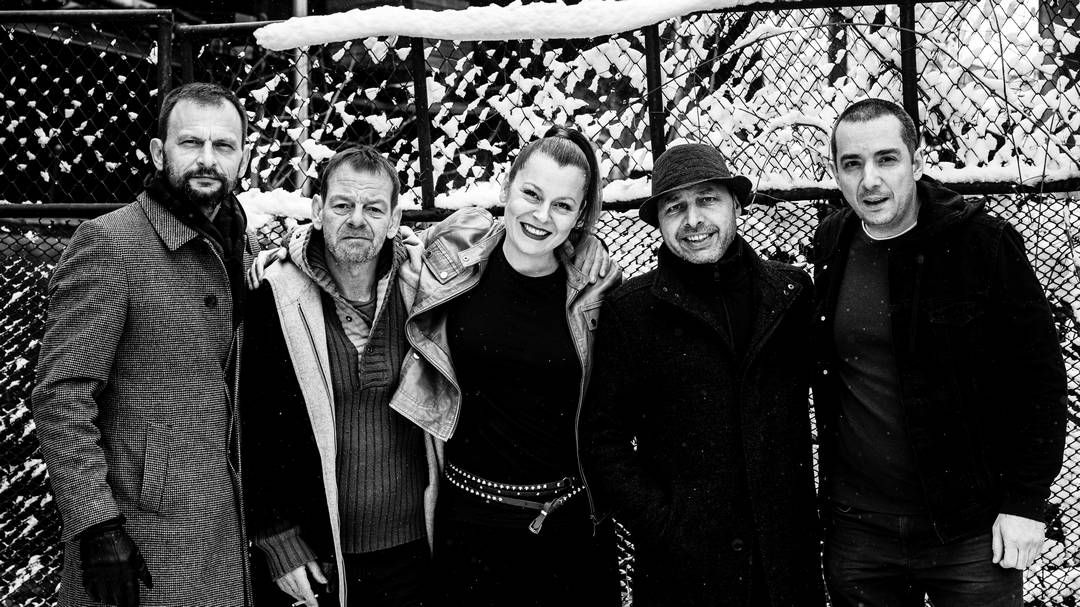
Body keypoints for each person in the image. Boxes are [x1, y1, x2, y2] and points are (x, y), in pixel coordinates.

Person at [813, 98, 1068, 606]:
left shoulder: (981, 244)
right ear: (835, 173)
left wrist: (1025, 503)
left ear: (917, 161)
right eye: (852, 164)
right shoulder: (833, 241)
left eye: (886, 159)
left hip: (969, 528)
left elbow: (1039, 379)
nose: (869, 180)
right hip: (860, 531)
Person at [31, 82, 255, 607]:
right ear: (158, 152)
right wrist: (96, 524)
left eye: (224, 145)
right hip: (141, 534)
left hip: (224, 520)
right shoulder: (111, 243)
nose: (207, 159)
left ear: (243, 159)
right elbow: (62, 394)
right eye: (190, 142)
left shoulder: (239, 245)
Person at [579, 143, 827, 606]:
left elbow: (836, 402)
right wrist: (666, 524)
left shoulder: (790, 294)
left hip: (784, 562)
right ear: (659, 222)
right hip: (685, 573)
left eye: (707, 199)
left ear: (736, 204)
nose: (693, 220)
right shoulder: (631, 313)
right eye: (675, 207)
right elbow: (602, 441)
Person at [387, 126, 622, 606]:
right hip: (469, 524)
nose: (541, 215)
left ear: (580, 216)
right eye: (531, 194)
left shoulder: (596, 292)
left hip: (567, 525)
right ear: (506, 188)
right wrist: (287, 257)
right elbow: (376, 247)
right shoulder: (453, 254)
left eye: (562, 205)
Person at [241, 146, 438, 607]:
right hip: (319, 559)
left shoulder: (425, 288)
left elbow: (506, 240)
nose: (357, 220)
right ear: (317, 211)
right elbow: (253, 425)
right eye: (342, 205)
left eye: (374, 209)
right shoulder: (276, 296)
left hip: (416, 552)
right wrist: (278, 541)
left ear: (395, 220)